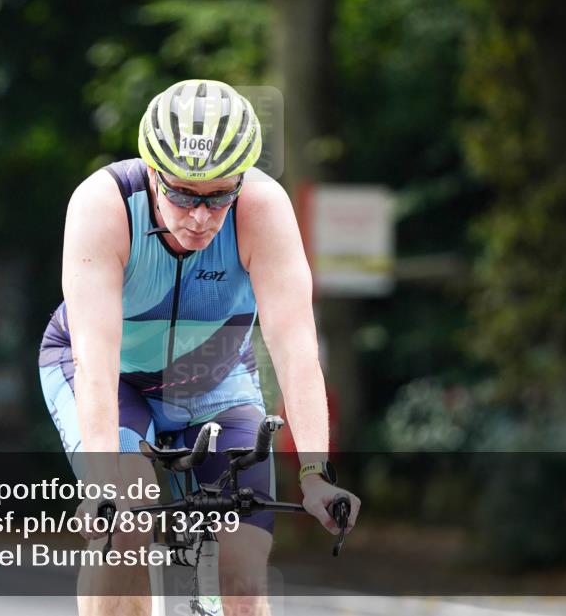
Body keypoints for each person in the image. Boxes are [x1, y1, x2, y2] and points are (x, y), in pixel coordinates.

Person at [39, 79, 359, 616]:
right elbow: (95, 357)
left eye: (218, 198)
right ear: (153, 173)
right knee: (128, 518)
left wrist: (315, 476)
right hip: (107, 373)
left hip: (214, 379)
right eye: (183, 194)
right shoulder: (105, 204)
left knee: (245, 572)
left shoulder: (263, 208)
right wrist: (101, 478)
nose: (200, 216)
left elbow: (295, 347)